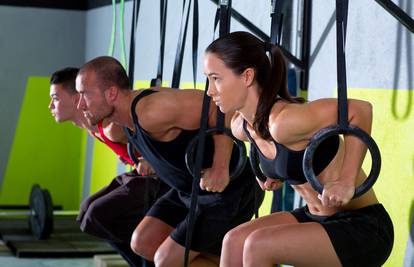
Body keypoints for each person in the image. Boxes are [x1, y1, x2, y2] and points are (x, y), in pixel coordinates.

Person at [203, 31, 394, 267]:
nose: (209, 90)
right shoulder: (241, 127)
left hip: (363, 226)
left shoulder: (284, 121)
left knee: (258, 245)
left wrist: (346, 180)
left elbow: (360, 110)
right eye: (208, 80)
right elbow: (287, 156)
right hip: (314, 216)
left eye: (216, 78)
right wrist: (271, 173)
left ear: (247, 76)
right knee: (234, 240)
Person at [75, 56, 263, 267]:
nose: (79, 104)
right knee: (143, 242)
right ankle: (241, 261)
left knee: (165, 261)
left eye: (84, 95)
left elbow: (219, 108)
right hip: (188, 192)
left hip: (228, 192)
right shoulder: (124, 122)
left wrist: (220, 167)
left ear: (111, 93)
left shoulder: (151, 110)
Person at [49, 67, 170, 267]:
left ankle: (151, 255)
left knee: (97, 215)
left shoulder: (111, 127)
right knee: (85, 213)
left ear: (74, 98)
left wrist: (150, 159)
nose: (50, 105)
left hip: (160, 178)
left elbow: (156, 134)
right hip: (140, 175)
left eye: (55, 98)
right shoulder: (92, 128)